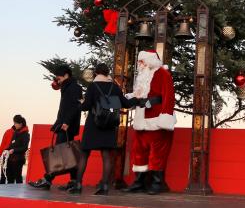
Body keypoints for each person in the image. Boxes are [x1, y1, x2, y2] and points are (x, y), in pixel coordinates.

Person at [68, 63, 136, 195]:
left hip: (94, 124)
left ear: (96, 73)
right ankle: (104, 186)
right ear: (107, 73)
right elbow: (126, 104)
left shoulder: (93, 86)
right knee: (106, 156)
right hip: (109, 125)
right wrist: (138, 100)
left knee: (84, 154)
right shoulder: (114, 87)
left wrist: (80, 103)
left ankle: (77, 185)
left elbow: (86, 106)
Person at [123, 49, 176, 195]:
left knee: (157, 153)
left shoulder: (163, 74)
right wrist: (128, 99)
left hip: (157, 119)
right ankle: (139, 182)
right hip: (142, 118)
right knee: (139, 151)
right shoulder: (142, 76)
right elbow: (138, 94)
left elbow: (169, 96)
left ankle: (157, 183)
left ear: (151, 60)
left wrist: (165, 116)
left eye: (142, 61)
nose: (139, 64)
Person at [29, 65, 82, 190]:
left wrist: (67, 122)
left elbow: (75, 106)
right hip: (63, 123)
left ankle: (47, 180)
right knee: (69, 154)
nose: (57, 81)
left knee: (58, 153)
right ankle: (74, 181)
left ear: (66, 75)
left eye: (59, 78)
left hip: (66, 125)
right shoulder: (68, 87)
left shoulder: (74, 87)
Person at [0, 115, 30, 184]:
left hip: (18, 160)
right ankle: (10, 194)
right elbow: (11, 145)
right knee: (9, 178)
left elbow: (24, 147)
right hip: (10, 159)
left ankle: (19, 193)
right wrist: (6, 150)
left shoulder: (26, 134)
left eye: (15, 123)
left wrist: (14, 150)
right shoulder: (15, 132)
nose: (14, 125)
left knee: (18, 178)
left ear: (20, 124)